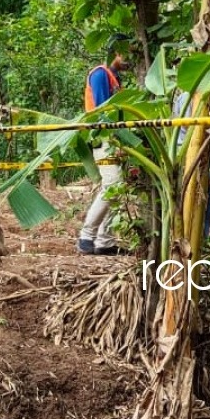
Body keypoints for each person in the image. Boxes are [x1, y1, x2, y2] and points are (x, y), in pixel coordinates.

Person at [77, 36, 131, 255]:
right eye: (126, 53)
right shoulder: (101, 74)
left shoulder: (115, 78)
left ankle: (104, 241)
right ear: (116, 52)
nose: (129, 59)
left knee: (116, 188)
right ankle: (86, 236)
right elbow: (103, 111)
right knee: (112, 185)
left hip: (113, 139)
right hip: (104, 138)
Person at [173, 90, 210, 241]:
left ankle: (201, 242)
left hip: (205, 152)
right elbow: (188, 124)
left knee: (208, 207)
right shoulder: (189, 95)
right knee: (192, 203)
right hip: (190, 153)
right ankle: (189, 243)